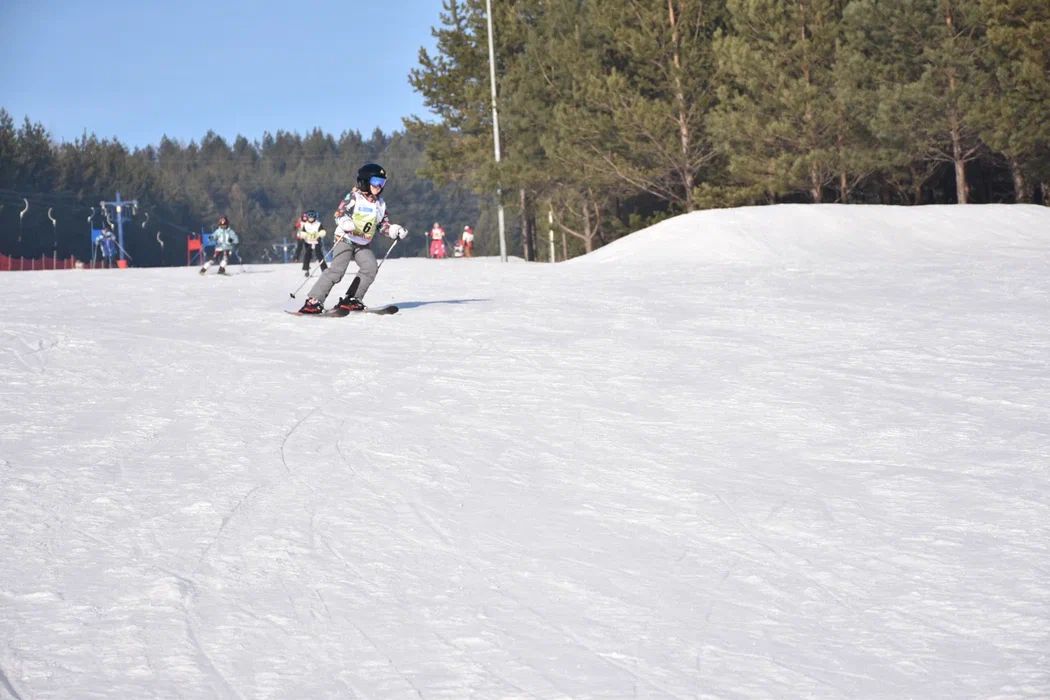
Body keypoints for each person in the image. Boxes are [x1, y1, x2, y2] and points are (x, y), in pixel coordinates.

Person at [297, 163, 407, 314]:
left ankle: (352, 299)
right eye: (376, 182)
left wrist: (394, 230)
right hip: (345, 239)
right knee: (337, 270)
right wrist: (345, 222)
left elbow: (381, 224)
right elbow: (339, 214)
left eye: (382, 183)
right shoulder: (354, 197)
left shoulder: (380, 204)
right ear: (365, 181)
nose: (379, 186)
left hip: (362, 243)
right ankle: (313, 301)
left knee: (370, 267)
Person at [297, 210, 328, 276]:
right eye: (310, 218)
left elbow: (323, 232)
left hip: (316, 242)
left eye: (312, 218)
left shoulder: (318, 224)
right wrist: (306, 235)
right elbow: (302, 233)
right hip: (308, 242)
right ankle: (306, 269)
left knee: (319, 255)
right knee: (307, 255)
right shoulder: (305, 225)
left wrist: (318, 234)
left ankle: (324, 269)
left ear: (315, 217)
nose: (311, 219)